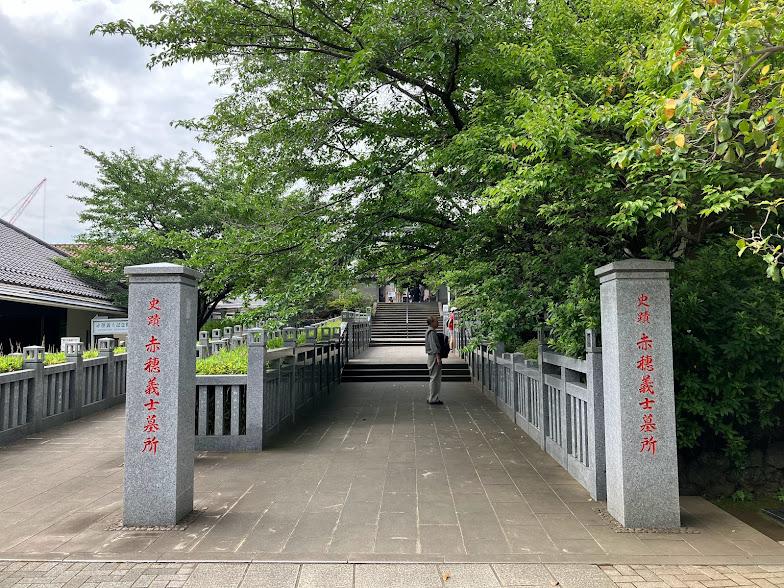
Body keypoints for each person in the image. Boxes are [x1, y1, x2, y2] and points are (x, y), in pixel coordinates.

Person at [424, 315, 443, 405]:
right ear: (431, 323)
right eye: (436, 321)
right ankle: (433, 398)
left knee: (434, 376)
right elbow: (433, 346)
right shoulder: (431, 332)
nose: (438, 323)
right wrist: (438, 357)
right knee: (435, 377)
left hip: (432, 356)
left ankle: (432, 396)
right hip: (433, 356)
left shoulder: (431, 332)